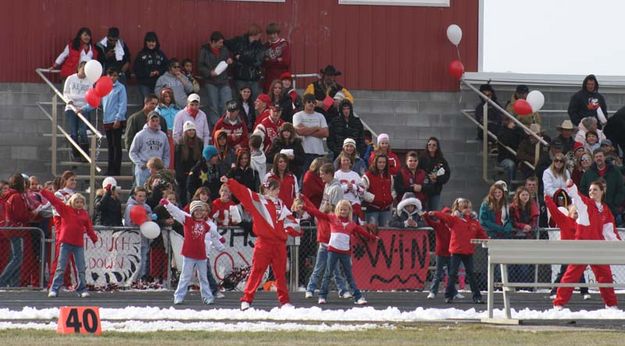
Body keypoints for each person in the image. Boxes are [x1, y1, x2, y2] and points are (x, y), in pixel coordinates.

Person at [224, 177, 300, 310]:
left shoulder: (280, 204)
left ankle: (284, 301)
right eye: (273, 189)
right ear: (266, 189)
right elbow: (242, 191)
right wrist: (230, 181)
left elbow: (289, 220)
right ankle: (246, 299)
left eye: (277, 189)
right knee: (257, 271)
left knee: (280, 274)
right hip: (264, 242)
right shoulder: (257, 200)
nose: (276, 191)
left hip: (279, 244)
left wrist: (294, 229)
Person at [553, 180, 620, 310]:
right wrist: (571, 185)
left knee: (605, 276)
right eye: (590, 190)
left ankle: (611, 304)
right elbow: (577, 196)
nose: (592, 192)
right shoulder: (586, 204)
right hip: (582, 246)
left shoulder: (605, 210)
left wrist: (619, 245)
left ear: (602, 191)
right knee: (571, 275)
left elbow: (610, 231)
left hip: (597, 247)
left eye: (595, 189)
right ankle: (558, 303)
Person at [302, 197, 376, 305]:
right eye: (341, 209)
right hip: (332, 250)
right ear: (337, 210)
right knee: (327, 274)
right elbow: (317, 212)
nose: (343, 211)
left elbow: (362, 232)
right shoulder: (332, 218)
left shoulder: (352, 224)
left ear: (349, 211)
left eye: (345, 210)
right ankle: (322, 296)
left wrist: (372, 237)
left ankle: (358, 297)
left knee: (349, 275)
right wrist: (304, 207)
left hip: (345, 253)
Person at [160, 198, 224, 305]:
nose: (199, 212)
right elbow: (177, 212)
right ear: (192, 212)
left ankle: (207, 297)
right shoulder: (187, 220)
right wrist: (168, 204)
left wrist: (220, 238)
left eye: (201, 210)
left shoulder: (205, 224)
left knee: (203, 277)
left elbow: (213, 232)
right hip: (189, 254)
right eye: (196, 210)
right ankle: (179, 296)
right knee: (185, 276)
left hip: (201, 255)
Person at [429, 198, 488, 304]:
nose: (468, 210)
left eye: (469, 207)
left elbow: (481, 233)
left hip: (468, 251)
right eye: (465, 208)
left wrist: (488, 240)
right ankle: (449, 295)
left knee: (471, 274)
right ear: (460, 209)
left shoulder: (474, 222)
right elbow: (445, 216)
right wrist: (435, 213)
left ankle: (477, 296)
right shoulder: (455, 219)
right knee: (452, 273)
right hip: (456, 251)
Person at [41, 188, 97, 298]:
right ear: (72, 202)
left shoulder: (85, 214)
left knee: (81, 268)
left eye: (81, 202)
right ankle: (54, 289)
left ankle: (82, 289)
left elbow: (89, 228)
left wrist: (94, 238)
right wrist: (43, 191)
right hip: (65, 243)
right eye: (77, 202)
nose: (79, 204)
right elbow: (55, 200)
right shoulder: (65, 210)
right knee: (61, 267)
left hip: (78, 244)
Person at [544, 193, 591, 300]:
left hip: (577, 252)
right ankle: (555, 291)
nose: (577, 215)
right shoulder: (564, 221)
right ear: (569, 213)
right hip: (567, 251)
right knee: (564, 272)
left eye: (578, 213)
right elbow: (554, 211)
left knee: (578, 272)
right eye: (575, 213)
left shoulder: (582, 224)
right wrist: (548, 199)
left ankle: (584, 291)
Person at [0, 174, 33, 287]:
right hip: (17, 228)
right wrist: (30, 214)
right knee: (17, 258)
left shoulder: (9, 195)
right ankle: (2, 280)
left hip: (12, 228)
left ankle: (15, 283)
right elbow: (20, 214)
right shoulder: (17, 196)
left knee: (16, 257)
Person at [198, 31, 234, 126]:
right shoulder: (204, 50)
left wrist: (229, 62)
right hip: (211, 81)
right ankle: (217, 125)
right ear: (212, 42)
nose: (221, 44)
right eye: (220, 42)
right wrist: (209, 72)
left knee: (227, 102)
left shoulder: (224, 50)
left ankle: (226, 123)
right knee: (213, 105)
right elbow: (200, 66)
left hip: (224, 80)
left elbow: (227, 62)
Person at [579, 148, 625, 219]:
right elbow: (582, 189)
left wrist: (615, 204)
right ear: (594, 159)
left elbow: (621, 188)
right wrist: (589, 203)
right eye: (596, 157)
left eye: (600, 156)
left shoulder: (615, 171)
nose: (598, 158)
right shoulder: (588, 173)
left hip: (612, 209)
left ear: (605, 157)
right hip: (592, 209)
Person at [129, 111, 170, 187]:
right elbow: (132, 152)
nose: (155, 123)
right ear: (147, 121)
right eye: (152, 121)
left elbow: (166, 153)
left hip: (158, 169)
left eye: (157, 121)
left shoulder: (163, 136)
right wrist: (140, 164)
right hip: (144, 168)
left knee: (157, 191)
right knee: (142, 191)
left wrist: (165, 166)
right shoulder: (140, 135)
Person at [224, 24, 266, 100]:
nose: (260, 36)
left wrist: (241, 57)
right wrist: (233, 56)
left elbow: (257, 62)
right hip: (240, 76)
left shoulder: (259, 46)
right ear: (255, 34)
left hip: (253, 78)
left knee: (255, 101)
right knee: (239, 100)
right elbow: (225, 43)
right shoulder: (239, 41)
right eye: (259, 34)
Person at [62, 61, 93, 161]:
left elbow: (91, 96)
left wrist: (84, 108)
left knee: (83, 131)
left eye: (87, 71)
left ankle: (85, 153)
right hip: (71, 108)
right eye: (83, 69)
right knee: (74, 132)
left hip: (83, 108)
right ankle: (76, 154)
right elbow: (65, 92)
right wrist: (69, 101)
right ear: (79, 68)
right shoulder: (70, 78)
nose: (84, 72)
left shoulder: (89, 81)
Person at [124, 187, 154, 283]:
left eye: (144, 196)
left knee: (143, 259)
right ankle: (132, 280)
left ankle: (140, 279)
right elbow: (129, 223)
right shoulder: (130, 207)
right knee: (134, 260)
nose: (142, 198)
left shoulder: (147, 207)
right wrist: (139, 222)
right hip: (133, 239)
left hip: (144, 238)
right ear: (134, 196)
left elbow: (150, 222)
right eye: (140, 196)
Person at [101, 67, 127, 176]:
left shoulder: (120, 88)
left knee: (117, 145)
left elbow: (122, 104)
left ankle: (116, 169)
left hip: (116, 120)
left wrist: (118, 118)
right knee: (110, 146)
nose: (113, 77)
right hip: (107, 120)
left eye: (115, 75)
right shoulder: (104, 87)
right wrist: (84, 108)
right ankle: (109, 168)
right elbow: (97, 98)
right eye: (111, 75)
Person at [423, 207, 452, 299]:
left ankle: (453, 291)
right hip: (440, 252)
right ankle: (433, 291)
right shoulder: (438, 225)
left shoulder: (453, 226)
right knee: (438, 273)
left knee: (452, 273)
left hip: (451, 252)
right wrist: (426, 216)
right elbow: (430, 222)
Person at [294, 94, 329, 169]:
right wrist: (316, 128)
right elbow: (300, 132)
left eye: (314, 102)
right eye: (309, 101)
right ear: (304, 103)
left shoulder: (320, 116)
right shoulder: (297, 115)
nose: (311, 104)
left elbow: (326, 133)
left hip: (319, 152)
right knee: (304, 178)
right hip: (304, 152)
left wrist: (306, 130)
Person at [174, 121, 204, 206]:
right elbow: (177, 162)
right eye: (189, 130)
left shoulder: (199, 143)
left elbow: (200, 159)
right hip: (183, 173)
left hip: (195, 173)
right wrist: (180, 175)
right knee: (183, 194)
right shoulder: (179, 144)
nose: (191, 132)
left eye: (193, 130)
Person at [133, 32, 168, 100]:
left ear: (156, 42)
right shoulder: (141, 54)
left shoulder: (160, 54)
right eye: (149, 41)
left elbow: (166, 66)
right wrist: (148, 74)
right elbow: (136, 69)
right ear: (146, 42)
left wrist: (159, 72)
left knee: (158, 103)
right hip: (145, 84)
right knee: (147, 103)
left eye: (153, 41)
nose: (151, 43)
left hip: (158, 84)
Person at [362, 154, 395, 227]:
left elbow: (392, 190)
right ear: (375, 163)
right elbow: (362, 191)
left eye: (384, 162)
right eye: (380, 162)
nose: (382, 164)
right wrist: (372, 198)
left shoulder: (389, 176)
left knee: (386, 231)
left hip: (386, 209)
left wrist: (391, 198)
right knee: (372, 231)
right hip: (372, 208)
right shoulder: (367, 176)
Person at [420, 137, 451, 211]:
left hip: (435, 191)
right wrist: (427, 177)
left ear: (437, 147)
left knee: (433, 213)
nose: (431, 146)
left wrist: (437, 179)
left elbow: (447, 175)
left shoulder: (442, 160)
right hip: (423, 190)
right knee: (423, 213)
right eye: (429, 144)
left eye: (434, 145)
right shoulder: (421, 158)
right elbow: (417, 172)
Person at [334, 153, 365, 223]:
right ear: (340, 162)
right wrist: (346, 187)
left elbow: (362, 191)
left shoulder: (355, 174)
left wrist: (354, 187)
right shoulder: (336, 174)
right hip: (341, 206)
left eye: (347, 160)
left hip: (354, 205)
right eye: (344, 160)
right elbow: (334, 190)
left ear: (351, 162)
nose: (346, 162)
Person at [156, 88, 180, 169]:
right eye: (165, 96)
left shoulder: (177, 108)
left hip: (176, 135)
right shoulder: (158, 109)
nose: (168, 98)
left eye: (169, 96)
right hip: (163, 134)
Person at [262, 23, 290, 92]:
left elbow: (286, 62)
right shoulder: (266, 46)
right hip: (269, 78)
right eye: (270, 34)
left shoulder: (284, 44)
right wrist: (277, 60)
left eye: (274, 34)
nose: (272, 36)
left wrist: (271, 60)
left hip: (281, 77)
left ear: (278, 33)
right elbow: (264, 63)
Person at [495, 117, 524, 184]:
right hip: (505, 158)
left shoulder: (518, 130)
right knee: (511, 165)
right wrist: (511, 131)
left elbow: (522, 139)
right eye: (512, 122)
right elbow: (506, 142)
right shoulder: (502, 131)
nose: (514, 124)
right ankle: (511, 186)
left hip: (517, 157)